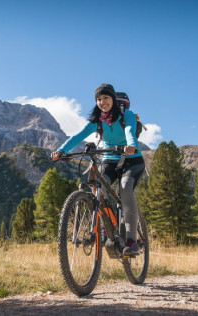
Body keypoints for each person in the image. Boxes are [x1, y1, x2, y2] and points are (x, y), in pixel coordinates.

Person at [50, 83, 145, 256]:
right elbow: (78, 135)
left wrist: (131, 144)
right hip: (109, 158)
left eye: (106, 98)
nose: (102, 102)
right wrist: (61, 151)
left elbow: (130, 130)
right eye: (99, 99)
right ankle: (106, 227)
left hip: (131, 159)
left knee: (125, 189)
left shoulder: (126, 115)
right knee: (97, 185)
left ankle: (132, 241)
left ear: (113, 100)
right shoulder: (97, 120)